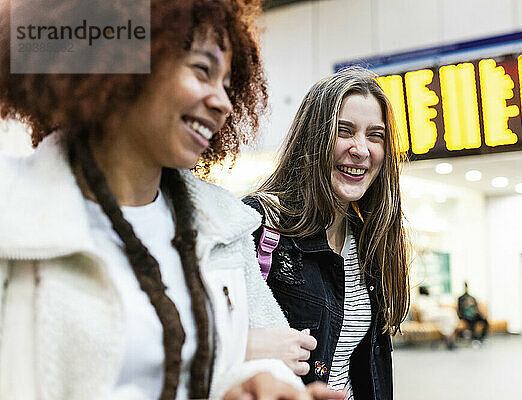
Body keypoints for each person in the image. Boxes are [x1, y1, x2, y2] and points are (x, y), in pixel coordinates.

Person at [0, 1, 345, 399]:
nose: (224, 102)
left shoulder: (227, 229)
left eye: (229, 86)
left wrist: (253, 385)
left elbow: (273, 362)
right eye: (203, 71)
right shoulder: (15, 217)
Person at [243, 67, 411, 400]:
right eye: (344, 131)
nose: (361, 149)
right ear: (314, 138)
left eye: (375, 135)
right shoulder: (259, 223)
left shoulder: (369, 241)